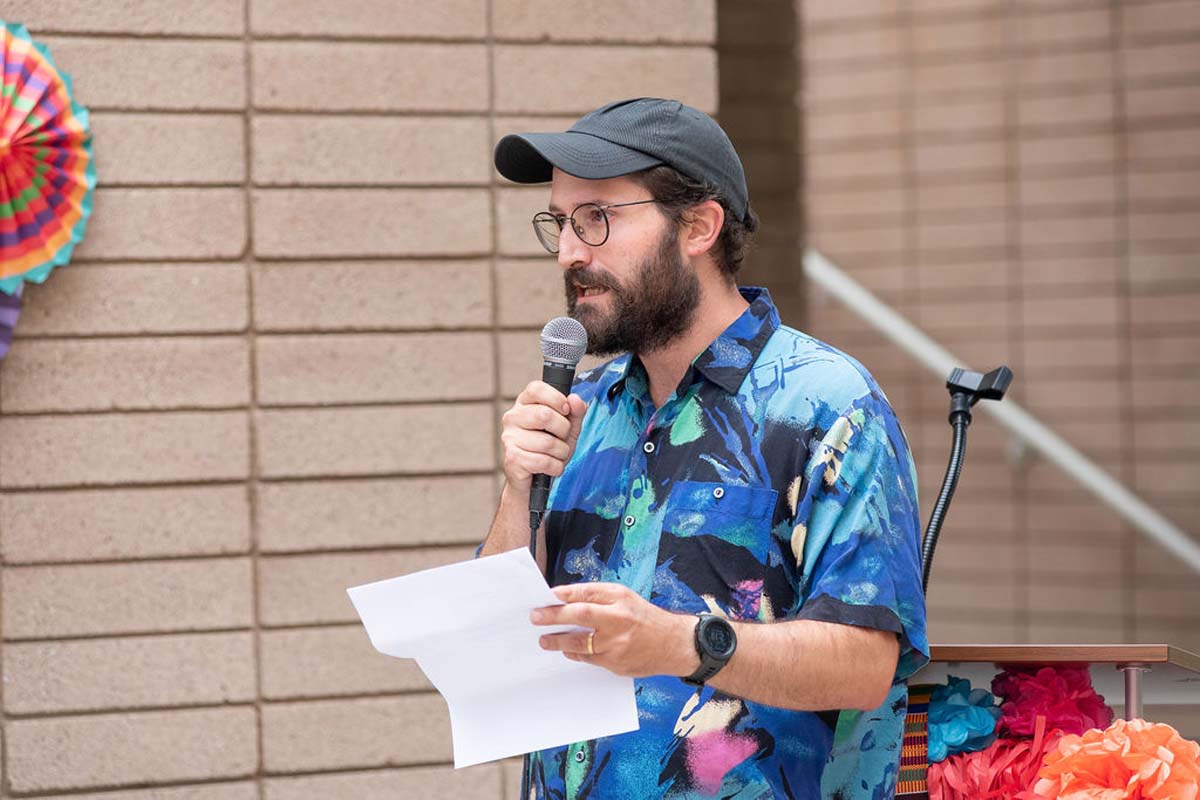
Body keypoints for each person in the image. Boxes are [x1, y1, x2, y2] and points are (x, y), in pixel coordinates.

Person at [480, 97, 928, 799]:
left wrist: (681, 644)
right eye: (560, 224)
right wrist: (518, 490)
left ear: (698, 225)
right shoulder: (586, 408)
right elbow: (502, 636)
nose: (570, 252)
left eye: (597, 219)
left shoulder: (826, 404)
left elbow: (865, 662)